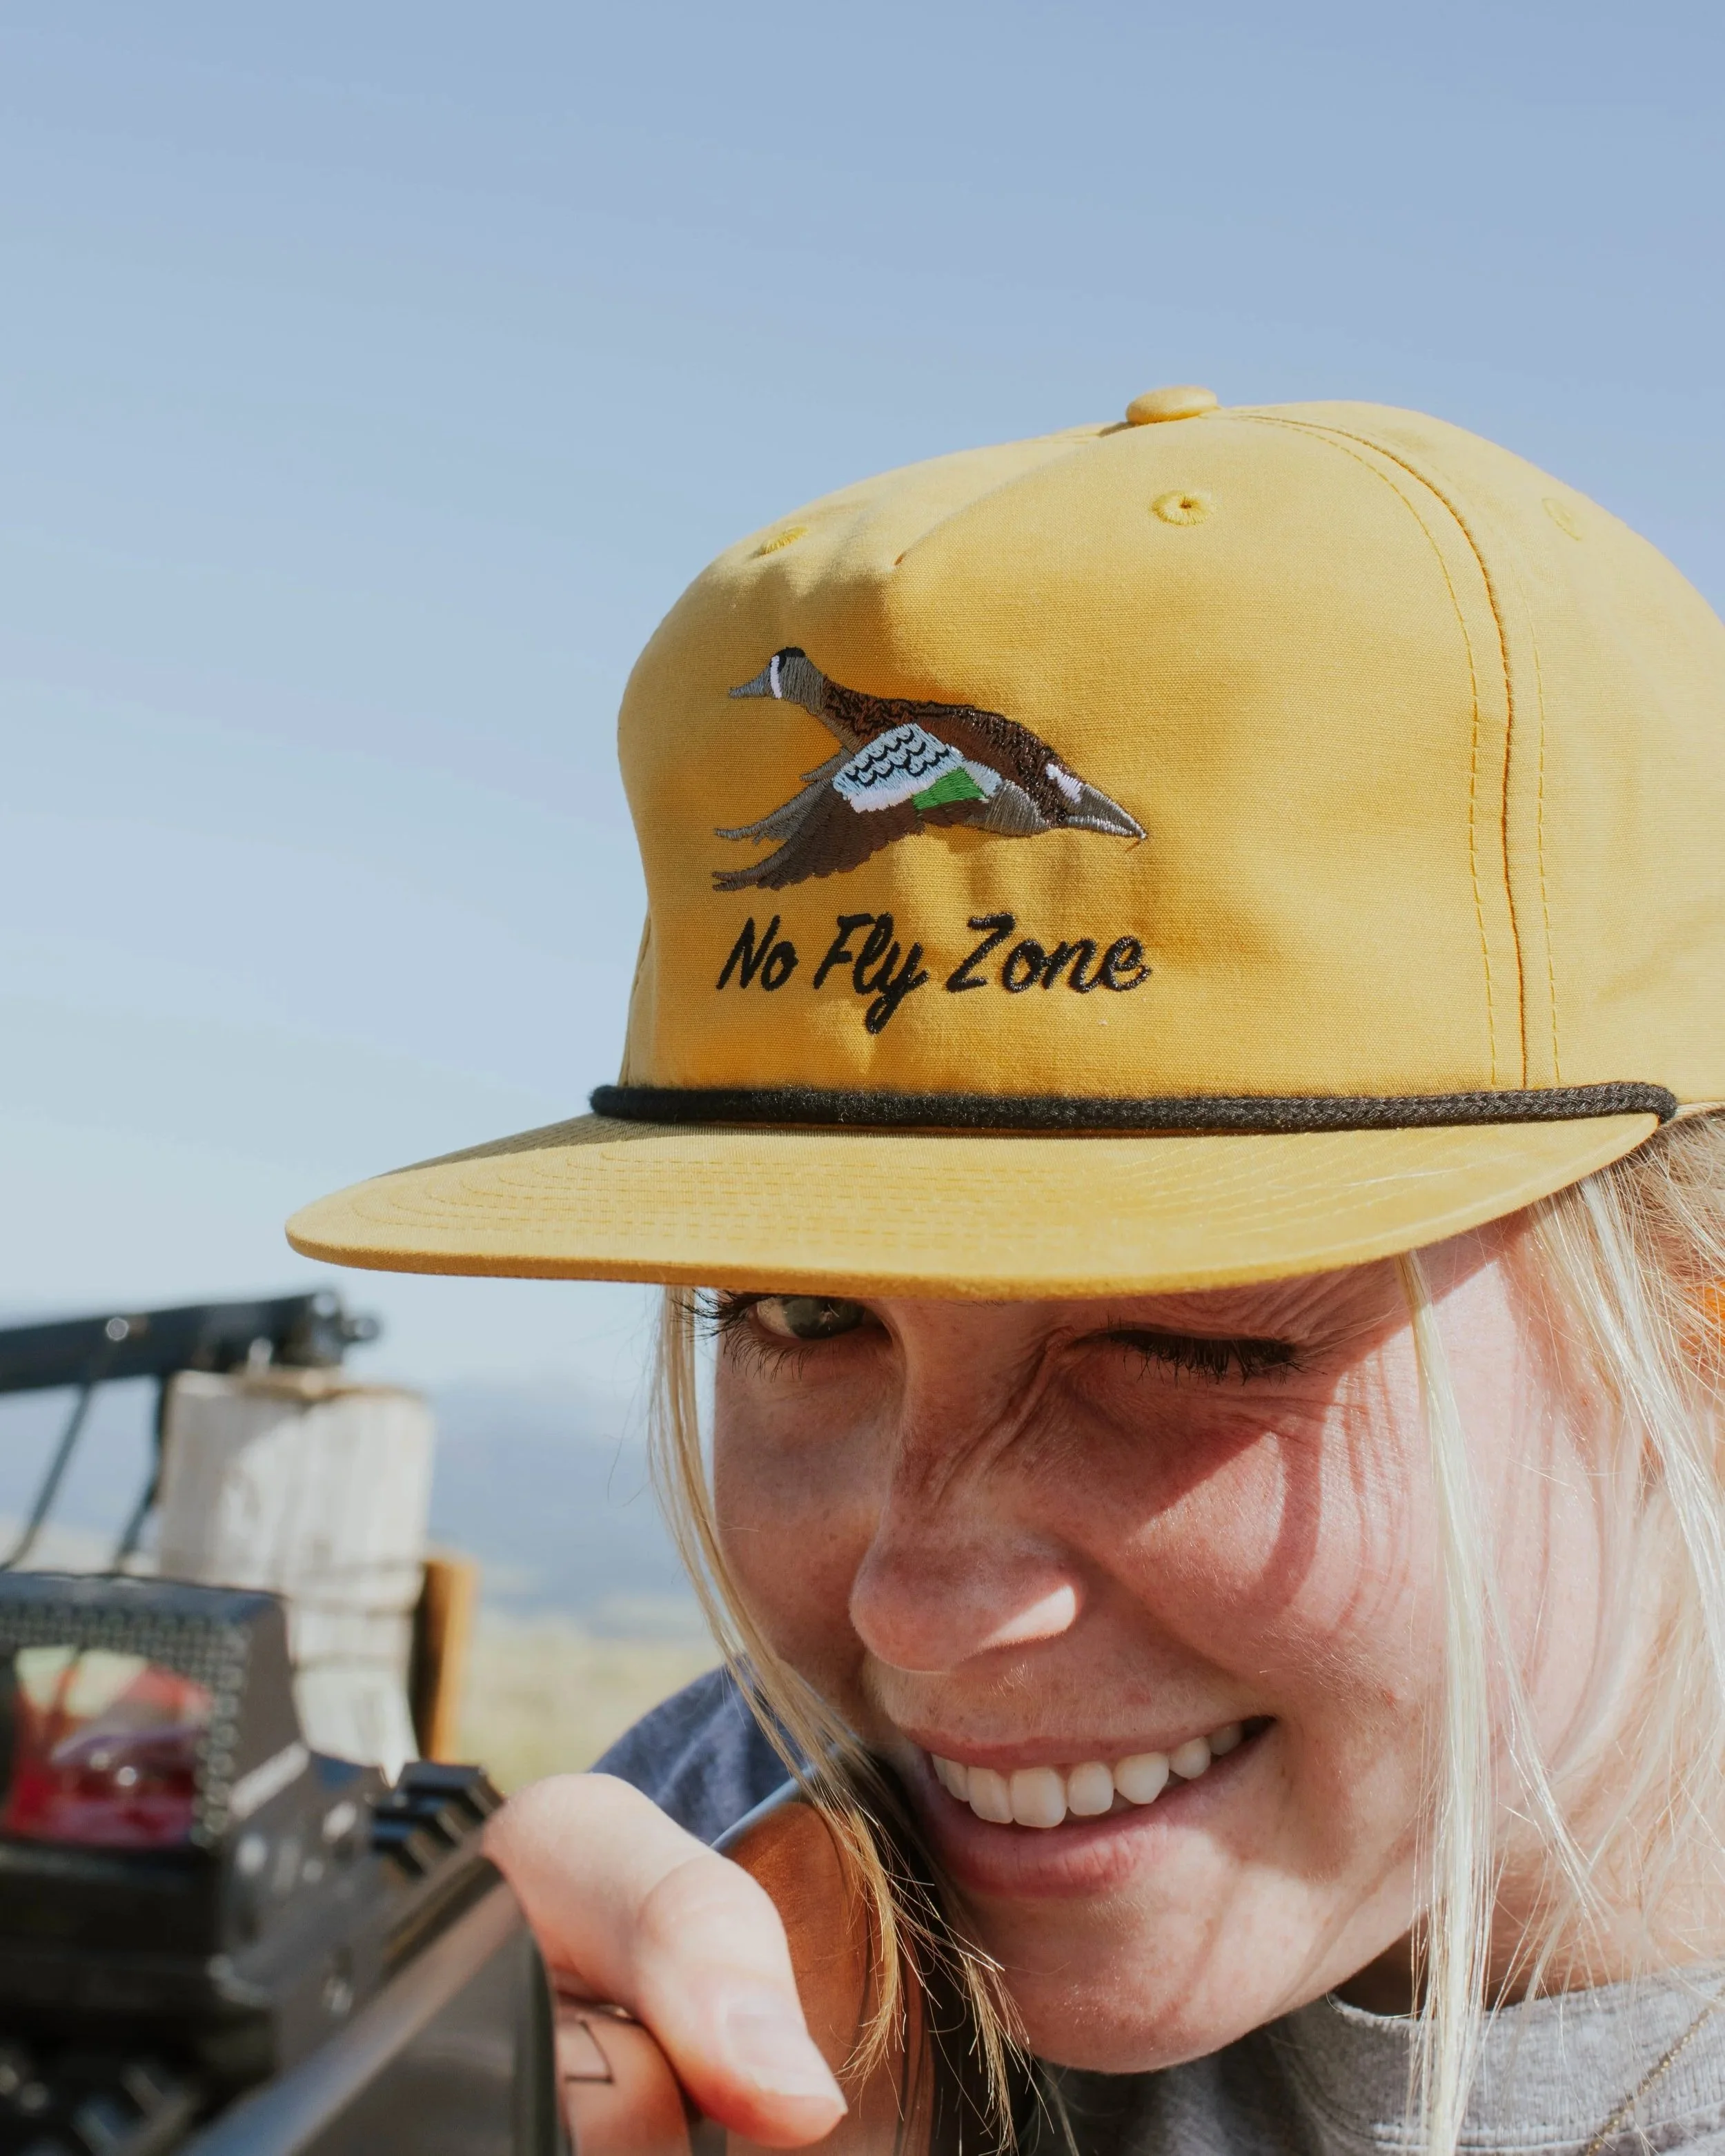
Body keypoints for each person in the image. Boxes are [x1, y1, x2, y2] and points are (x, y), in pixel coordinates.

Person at [290, 384, 1725, 2155]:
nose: (918, 1607)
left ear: (1694, 1335)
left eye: (1184, 1340)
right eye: (802, 1315)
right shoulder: (744, 1857)